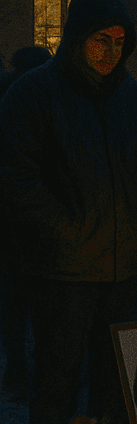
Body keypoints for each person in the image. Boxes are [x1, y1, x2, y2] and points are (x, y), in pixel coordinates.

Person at [0, 0, 137, 424]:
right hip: (64, 271)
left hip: (124, 268)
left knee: (117, 379)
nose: (111, 52)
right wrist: (66, 230)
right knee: (57, 379)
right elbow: (18, 178)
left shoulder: (131, 96)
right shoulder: (33, 93)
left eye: (120, 43)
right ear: (76, 38)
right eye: (101, 40)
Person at [0, 45, 50, 402]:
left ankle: (17, 369)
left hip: (13, 221)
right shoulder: (43, 102)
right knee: (38, 301)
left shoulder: (11, 97)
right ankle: (33, 368)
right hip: (32, 220)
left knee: (15, 303)